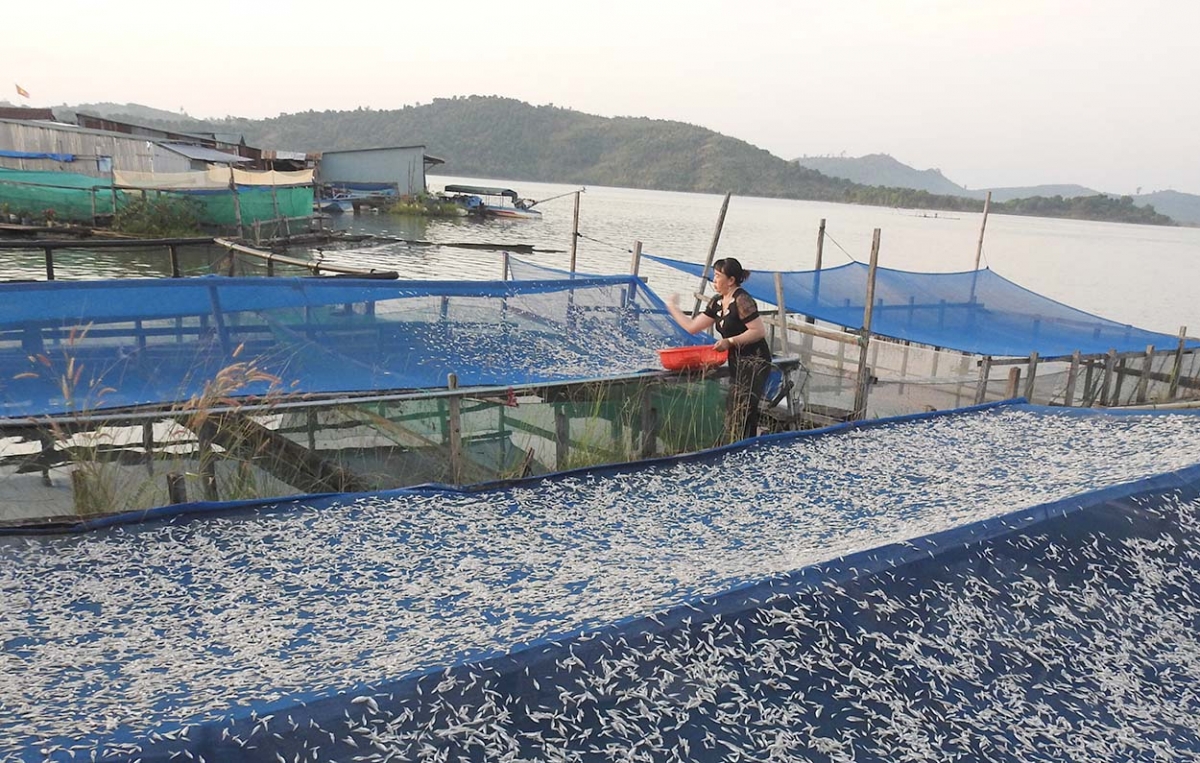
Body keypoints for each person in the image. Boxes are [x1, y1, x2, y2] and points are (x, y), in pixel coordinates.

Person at [667, 257, 773, 444]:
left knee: (743, 407)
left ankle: (746, 447)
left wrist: (729, 341)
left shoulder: (742, 300)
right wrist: (673, 308)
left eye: (717, 276)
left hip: (755, 359)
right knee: (733, 406)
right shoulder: (717, 302)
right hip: (736, 360)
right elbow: (692, 326)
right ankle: (739, 444)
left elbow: (758, 331)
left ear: (731, 280)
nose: (714, 280)